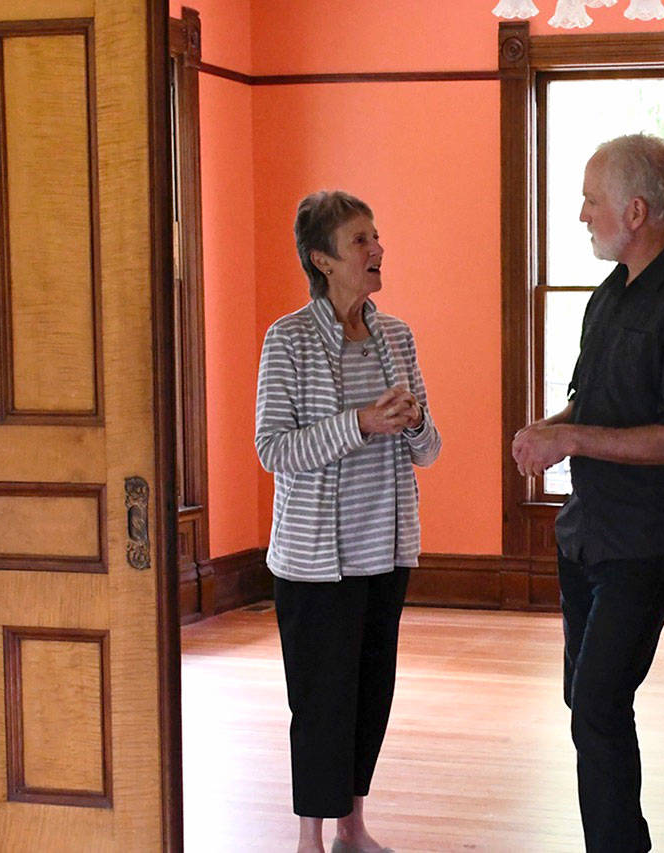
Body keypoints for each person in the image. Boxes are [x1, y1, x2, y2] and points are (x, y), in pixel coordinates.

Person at [255, 190, 440, 853]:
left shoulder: (396, 336)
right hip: (313, 564)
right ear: (322, 259)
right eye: (360, 240)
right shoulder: (288, 339)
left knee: (369, 698)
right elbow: (274, 449)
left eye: (376, 236)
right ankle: (309, 839)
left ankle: (352, 830)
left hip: (386, 553)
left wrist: (414, 420)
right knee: (320, 704)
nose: (377, 249)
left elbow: (429, 449)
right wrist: (359, 424)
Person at [511, 134, 664, 853]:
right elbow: (590, 407)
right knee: (586, 703)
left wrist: (570, 441)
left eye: (589, 200)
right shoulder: (608, 296)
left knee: (599, 705)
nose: (580, 215)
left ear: (635, 211)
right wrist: (545, 429)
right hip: (585, 537)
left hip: (643, 543)